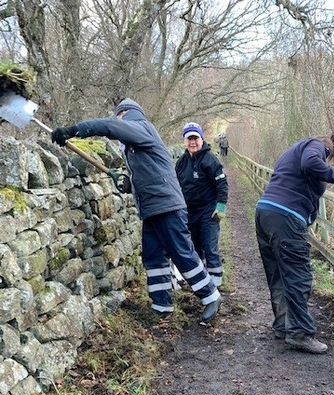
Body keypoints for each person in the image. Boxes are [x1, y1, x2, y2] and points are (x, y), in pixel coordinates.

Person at [51, 98, 222, 323]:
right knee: (153, 256)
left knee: (181, 252)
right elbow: (151, 170)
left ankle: (210, 295)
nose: (119, 121)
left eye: (119, 116)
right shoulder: (136, 146)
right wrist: (129, 182)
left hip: (166, 205)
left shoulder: (141, 127)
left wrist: (73, 130)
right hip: (152, 208)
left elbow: (111, 126)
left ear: (125, 114)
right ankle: (162, 304)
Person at [255, 132, 334, 354]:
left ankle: (283, 324)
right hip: (285, 217)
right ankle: (299, 332)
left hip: (265, 212)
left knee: (279, 273)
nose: (327, 162)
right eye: (330, 159)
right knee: (298, 275)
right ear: (331, 151)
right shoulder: (315, 146)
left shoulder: (292, 151)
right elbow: (311, 164)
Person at [175, 122, 228, 288]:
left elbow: (222, 183)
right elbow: (176, 185)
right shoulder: (181, 163)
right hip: (190, 211)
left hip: (209, 210)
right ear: (184, 141)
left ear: (201, 139)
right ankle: (200, 280)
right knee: (194, 246)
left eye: (195, 138)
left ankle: (216, 281)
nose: (192, 142)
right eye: (189, 139)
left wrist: (220, 206)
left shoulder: (210, 160)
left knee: (209, 245)